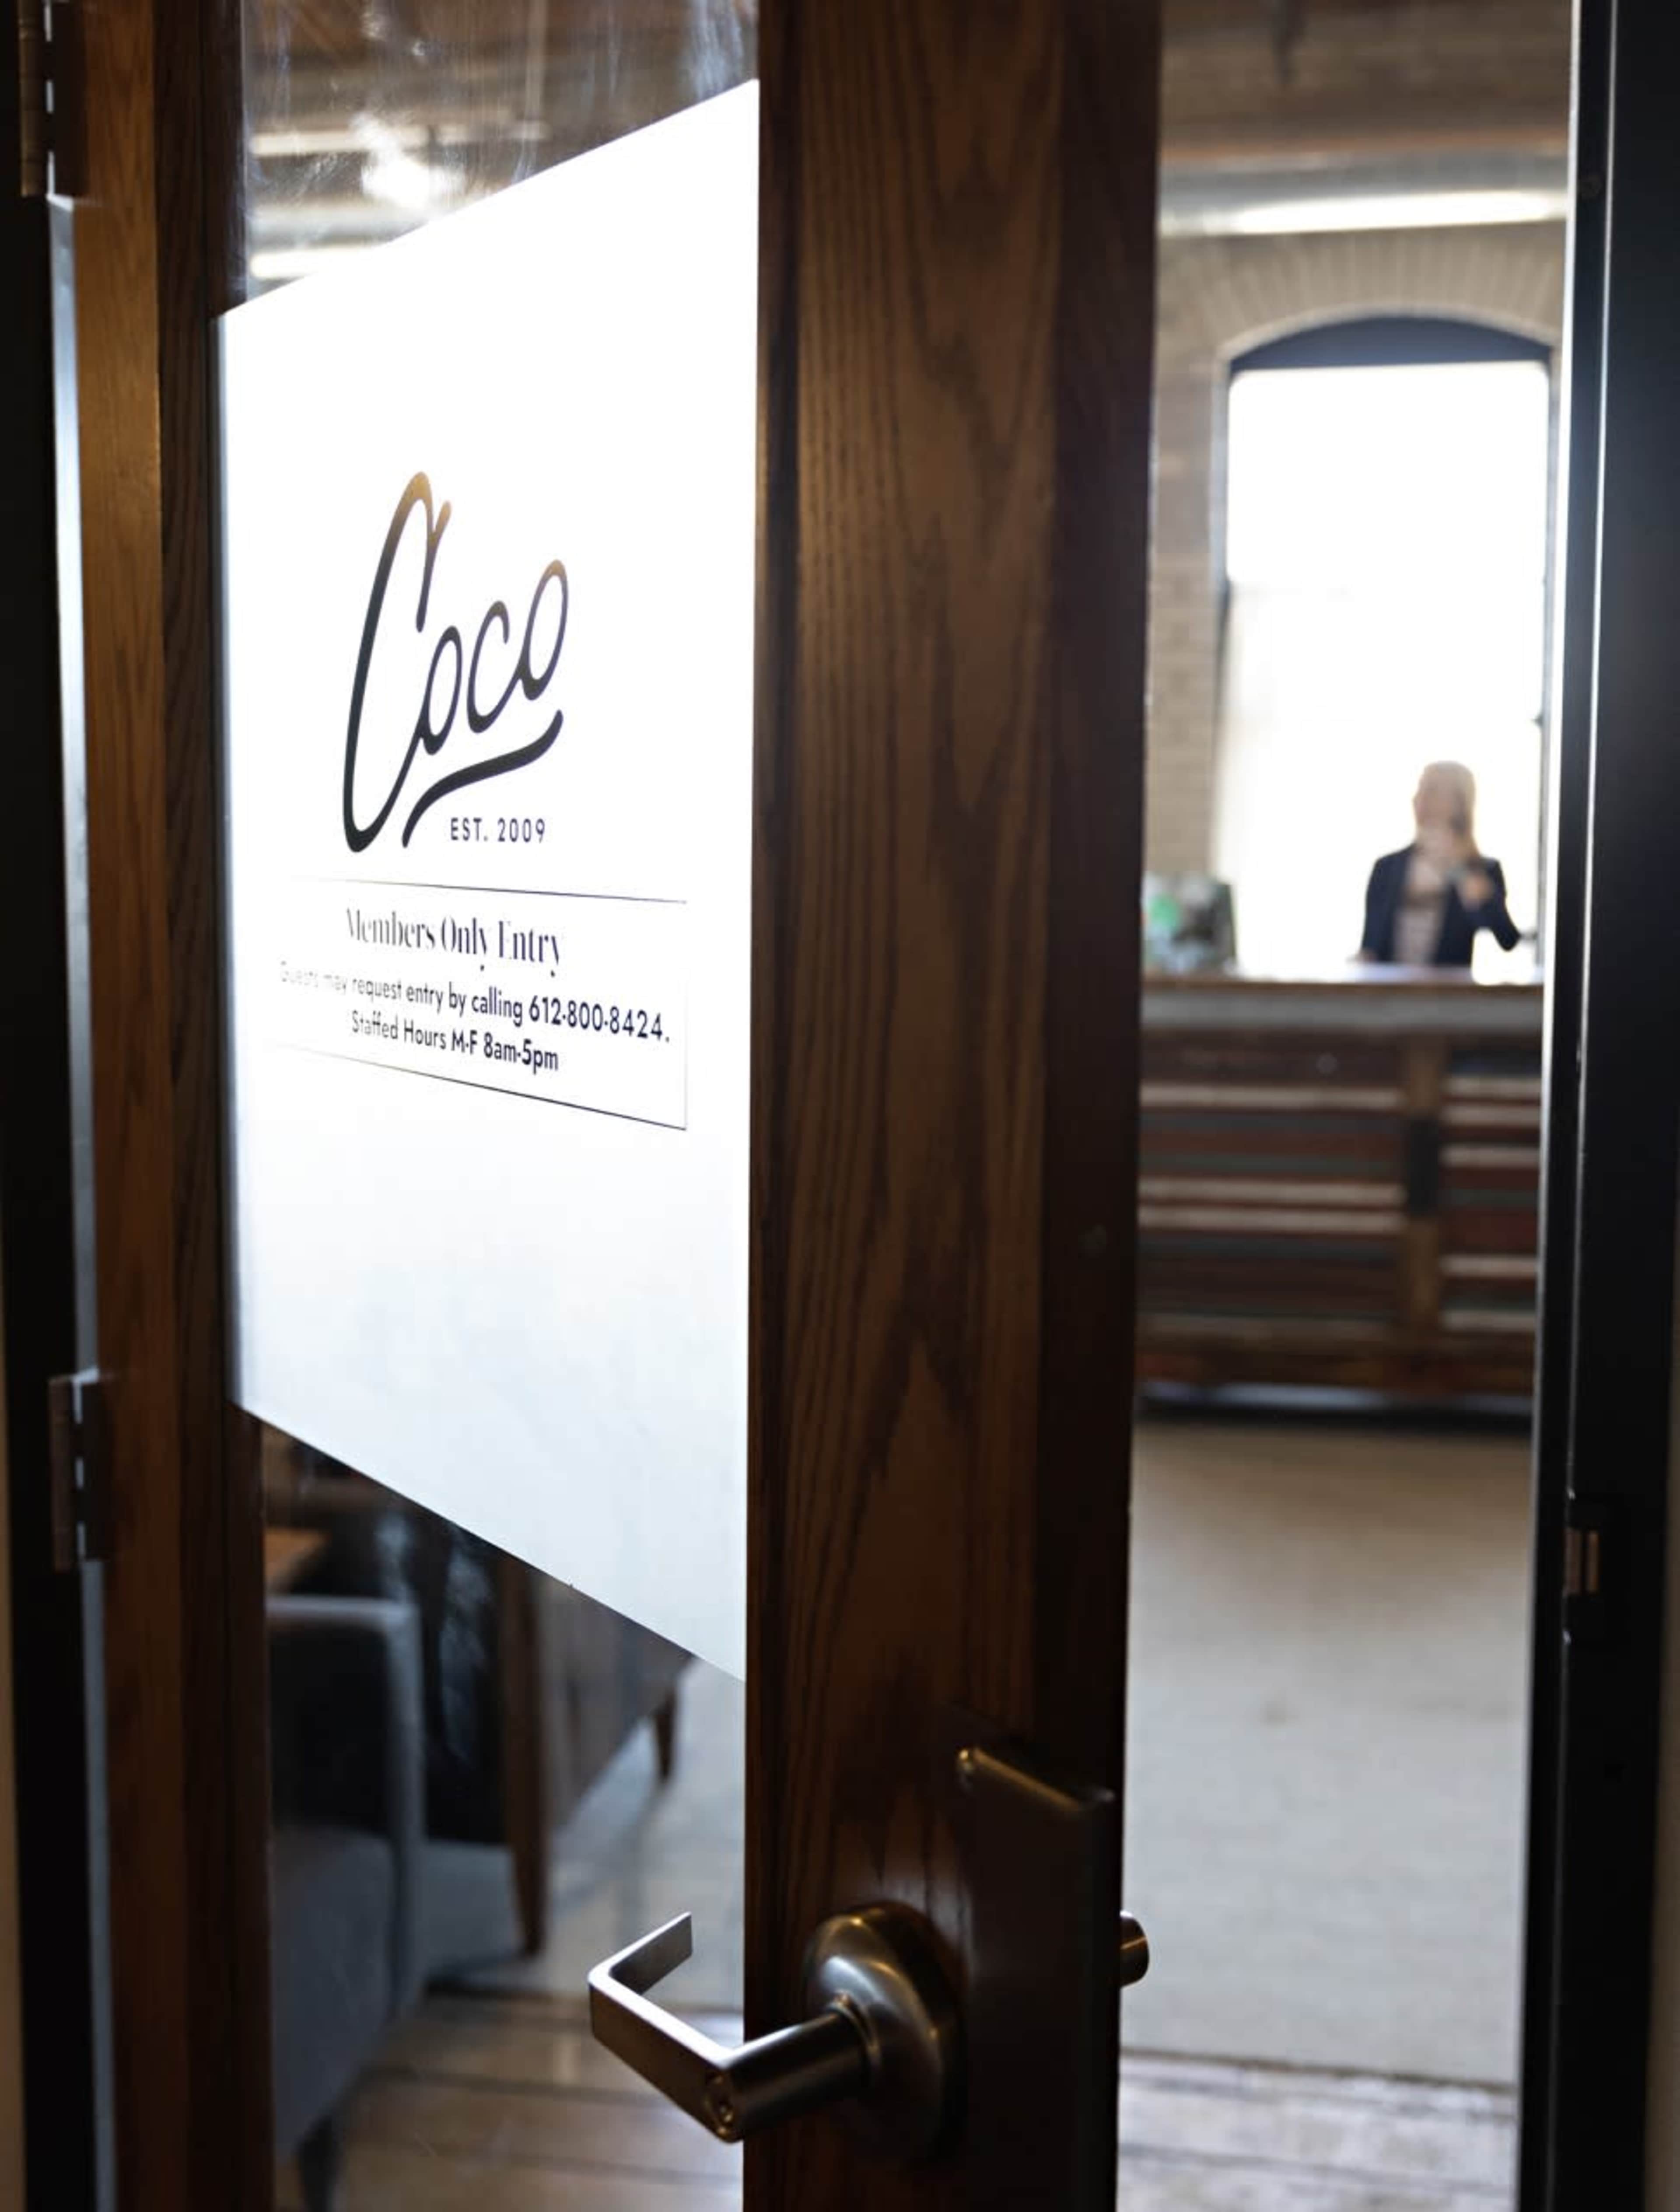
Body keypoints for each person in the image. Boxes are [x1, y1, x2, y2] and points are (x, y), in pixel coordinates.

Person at [1359, 761, 1521, 969]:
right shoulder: (1387, 868)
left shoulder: (1480, 870)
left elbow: (1507, 939)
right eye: (1420, 789)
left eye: (1432, 791)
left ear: (1458, 802)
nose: (1419, 798)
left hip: (1447, 998)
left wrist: (1461, 870)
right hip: (1389, 996)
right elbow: (1370, 947)